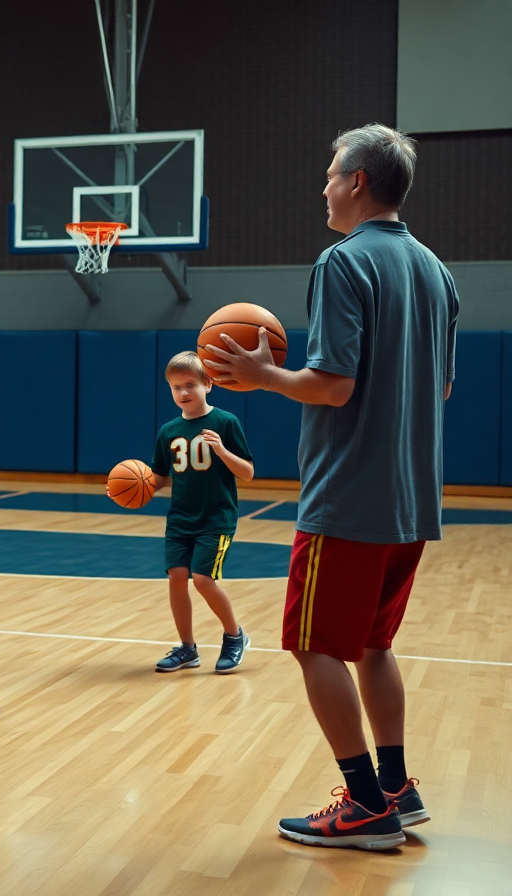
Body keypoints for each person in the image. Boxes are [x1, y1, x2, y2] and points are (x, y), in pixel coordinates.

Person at [205, 124, 458, 851]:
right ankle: (398, 787)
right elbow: (437, 388)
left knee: (313, 645)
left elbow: (337, 386)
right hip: (412, 500)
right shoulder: (438, 271)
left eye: (329, 172)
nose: (322, 185)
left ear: (356, 183)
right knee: (374, 646)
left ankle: (365, 804)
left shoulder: (343, 262)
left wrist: (262, 377)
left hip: (349, 497)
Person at [145, 351, 253, 674]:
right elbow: (161, 478)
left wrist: (221, 450)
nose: (183, 393)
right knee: (177, 578)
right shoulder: (168, 431)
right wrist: (132, 489)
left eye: (190, 384)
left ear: (209, 383)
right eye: (176, 387)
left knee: (204, 579)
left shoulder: (225, 422)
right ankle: (188, 649)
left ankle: (235, 636)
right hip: (180, 519)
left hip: (216, 518)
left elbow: (247, 472)